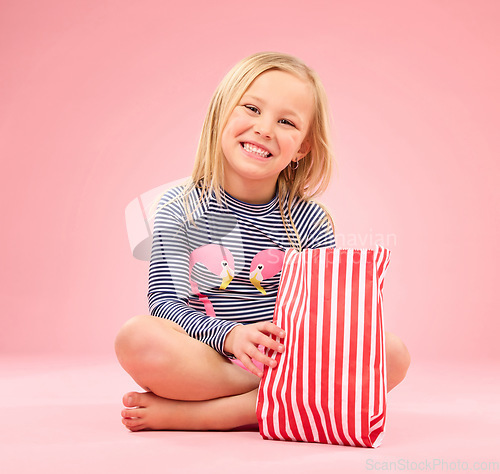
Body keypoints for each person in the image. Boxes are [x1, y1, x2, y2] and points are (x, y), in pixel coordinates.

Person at [114, 52, 411, 432]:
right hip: (213, 360)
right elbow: (165, 305)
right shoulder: (179, 210)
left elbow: (323, 319)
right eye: (252, 108)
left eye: (286, 121)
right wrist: (231, 335)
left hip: (288, 357)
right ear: (222, 113)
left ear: (302, 148)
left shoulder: (310, 221)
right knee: (137, 337)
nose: (265, 129)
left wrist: (288, 356)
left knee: (392, 354)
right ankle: (286, 398)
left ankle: (206, 414)